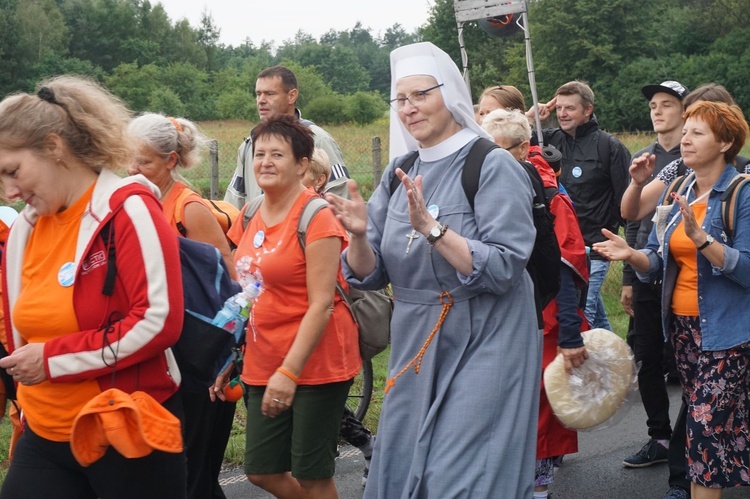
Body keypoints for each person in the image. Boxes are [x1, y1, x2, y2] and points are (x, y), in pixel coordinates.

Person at [326, 41, 542, 498]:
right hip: (417, 333)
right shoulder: (399, 170)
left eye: (421, 94)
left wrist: (433, 229)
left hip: (488, 331)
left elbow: (503, 267)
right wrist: (360, 236)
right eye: (401, 99)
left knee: (459, 475)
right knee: (402, 468)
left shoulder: (491, 164)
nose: (409, 108)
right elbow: (370, 274)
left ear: (450, 95)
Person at [0, 76, 186, 498]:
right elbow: (19, 330)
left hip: (123, 430)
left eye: (13, 171)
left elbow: (159, 322)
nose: (10, 192)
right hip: (44, 435)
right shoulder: (25, 231)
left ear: (53, 146)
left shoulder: (128, 209)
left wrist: (52, 361)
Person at [593, 101, 750, 499]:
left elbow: (747, 270)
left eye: (698, 133)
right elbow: (658, 259)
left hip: (728, 335)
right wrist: (632, 256)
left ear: (726, 142)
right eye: (686, 132)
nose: (686, 139)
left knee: (701, 430)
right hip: (681, 330)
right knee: (720, 428)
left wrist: (704, 240)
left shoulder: (741, 194)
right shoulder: (680, 188)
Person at [220, 115, 361, 498]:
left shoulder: (318, 217)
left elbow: (321, 306)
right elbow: (247, 292)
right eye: (259, 153)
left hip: (315, 362)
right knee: (262, 471)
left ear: (302, 164)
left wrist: (289, 371)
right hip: (262, 358)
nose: (265, 161)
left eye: (277, 154)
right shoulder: (249, 214)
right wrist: (231, 358)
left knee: (312, 474)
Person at [482, 106, 590, 498]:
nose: (488, 161)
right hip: (500, 318)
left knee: (539, 412)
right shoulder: (486, 187)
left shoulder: (549, 196)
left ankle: (538, 488)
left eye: (498, 151)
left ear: (524, 148)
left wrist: (569, 333)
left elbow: (564, 267)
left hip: (542, 320)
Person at [127, 112, 236, 499]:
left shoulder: (187, 209)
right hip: (158, 352)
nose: (132, 169)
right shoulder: (135, 204)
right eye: (128, 158)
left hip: (197, 357)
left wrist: (226, 358)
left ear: (171, 161)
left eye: (144, 162)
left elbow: (228, 284)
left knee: (195, 472)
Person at [617, 81, 692, 498]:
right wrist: (629, 277)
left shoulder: (701, 157)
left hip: (685, 276)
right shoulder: (651, 159)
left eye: (667, 105)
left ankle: (692, 453)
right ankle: (660, 438)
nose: (658, 111)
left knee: (689, 368)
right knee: (646, 358)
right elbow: (631, 217)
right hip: (647, 269)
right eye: (653, 105)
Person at [535, 81, 631, 330]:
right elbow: (508, 143)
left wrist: (630, 265)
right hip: (561, 248)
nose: (563, 114)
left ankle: (585, 367)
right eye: (560, 108)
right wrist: (532, 117)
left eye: (570, 108)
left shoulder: (610, 147)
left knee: (580, 319)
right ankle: (617, 364)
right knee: (594, 318)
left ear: (588, 110)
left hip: (595, 248)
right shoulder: (549, 141)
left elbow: (626, 206)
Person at [224, 65, 349, 209]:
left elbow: (340, 197)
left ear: (292, 96)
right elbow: (233, 202)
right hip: (259, 230)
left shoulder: (317, 139)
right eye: (258, 94)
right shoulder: (249, 145)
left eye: (269, 94)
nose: (261, 100)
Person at [621, 84, 748, 222]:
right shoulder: (678, 168)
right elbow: (631, 212)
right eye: (689, 116)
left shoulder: (744, 173)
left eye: (704, 115)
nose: (686, 139)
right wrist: (637, 184)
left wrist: (700, 238)